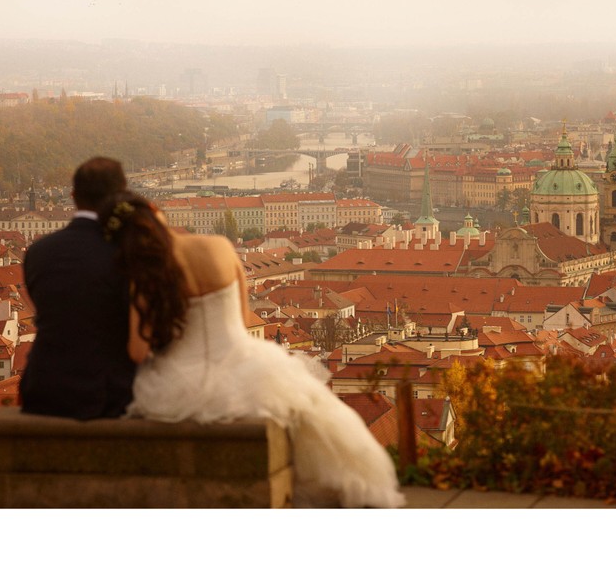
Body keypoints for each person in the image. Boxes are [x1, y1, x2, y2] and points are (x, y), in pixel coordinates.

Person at [99, 191, 405, 508]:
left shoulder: (146, 275)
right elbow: (245, 317)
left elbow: (137, 350)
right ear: (156, 211)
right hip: (247, 364)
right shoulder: (218, 246)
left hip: (181, 379)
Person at [20, 157, 136, 420]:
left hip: (44, 389)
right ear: (121, 196)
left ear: (73, 196)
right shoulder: (128, 251)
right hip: (112, 393)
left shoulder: (39, 252)